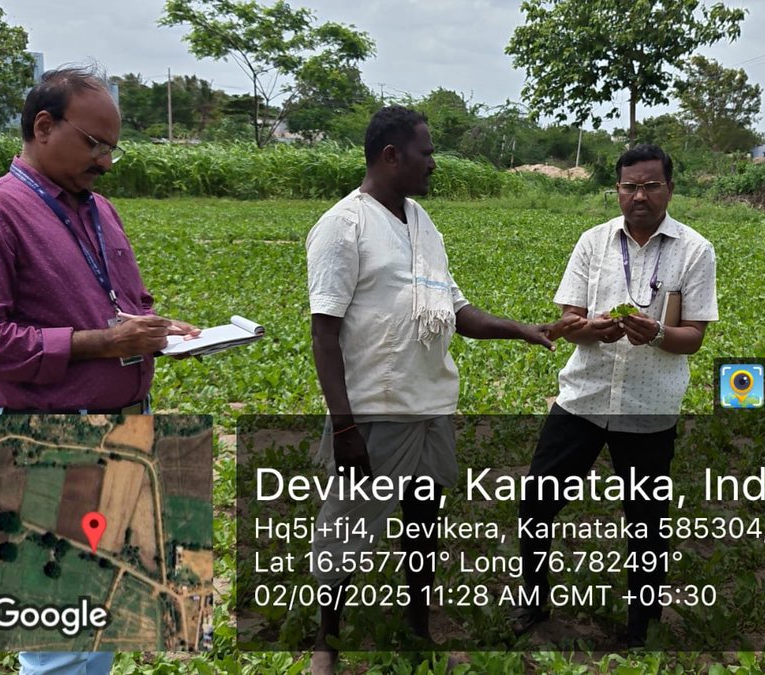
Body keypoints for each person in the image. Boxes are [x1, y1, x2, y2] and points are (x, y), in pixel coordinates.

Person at [304, 105, 580, 673]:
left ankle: (417, 624)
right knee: (347, 537)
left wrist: (519, 331)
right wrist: (345, 425)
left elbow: (455, 309)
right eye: (426, 152)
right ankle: (325, 644)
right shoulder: (343, 226)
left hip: (431, 407)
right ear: (391, 156)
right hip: (375, 411)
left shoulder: (422, 222)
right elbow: (324, 335)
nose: (434, 163)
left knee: (423, 524)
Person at [0, 65, 198, 675]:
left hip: (124, 432)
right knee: (57, 644)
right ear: (42, 125)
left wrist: (152, 327)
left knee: (103, 622)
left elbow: (120, 305)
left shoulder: (98, 210)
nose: (106, 161)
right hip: (48, 438)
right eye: (94, 143)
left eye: (113, 147)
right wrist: (100, 343)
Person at [513, 144, 718, 647]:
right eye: (630, 186)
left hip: (650, 406)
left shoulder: (695, 250)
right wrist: (591, 329)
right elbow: (567, 318)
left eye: (650, 185)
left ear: (669, 188)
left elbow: (694, 334)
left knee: (646, 521)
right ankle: (533, 603)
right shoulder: (593, 242)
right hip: (583, 398)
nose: (639, 195)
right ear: (617, 190)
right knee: (537, 503)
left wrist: (658, 336)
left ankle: (640, 626)